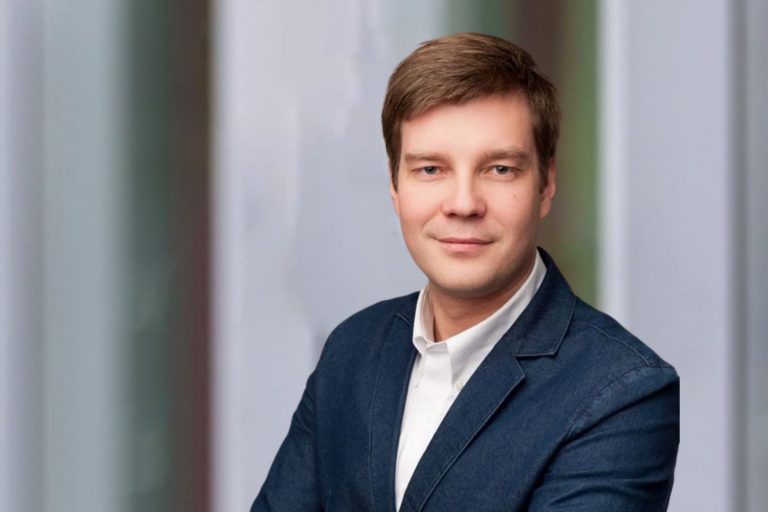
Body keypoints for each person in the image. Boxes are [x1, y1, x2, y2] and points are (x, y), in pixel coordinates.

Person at [252, 32, 679, 511]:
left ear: (546, 185)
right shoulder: (352, 350)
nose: (463, 204)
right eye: (431, 170)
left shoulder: (623, 392)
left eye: (499, 169)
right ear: (394, 185)